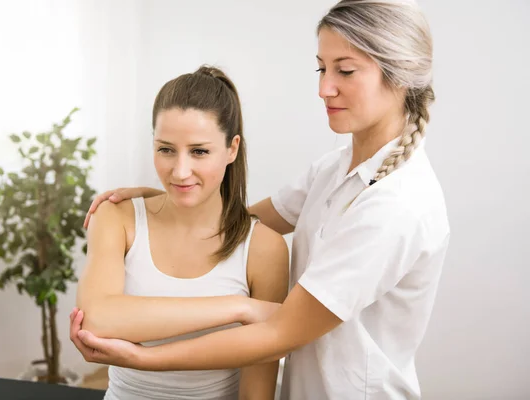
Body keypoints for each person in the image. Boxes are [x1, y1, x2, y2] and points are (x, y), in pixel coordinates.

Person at [71, 1, 451, 398]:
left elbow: (278, 331)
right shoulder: (333, 169)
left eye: (346, 70)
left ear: (401, 75)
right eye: (322, 68)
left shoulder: (397, 206)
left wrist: (140, 358)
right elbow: (234, 223)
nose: (324, 88)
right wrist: (164, 200)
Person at [74, 65, 289, 400]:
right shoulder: (116, 215)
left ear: (232, 149)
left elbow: (256, 390)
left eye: (199, 151)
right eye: (166, 149)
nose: (180, 170)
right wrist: (238, 307)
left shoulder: (263, 249)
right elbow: (96, 321)